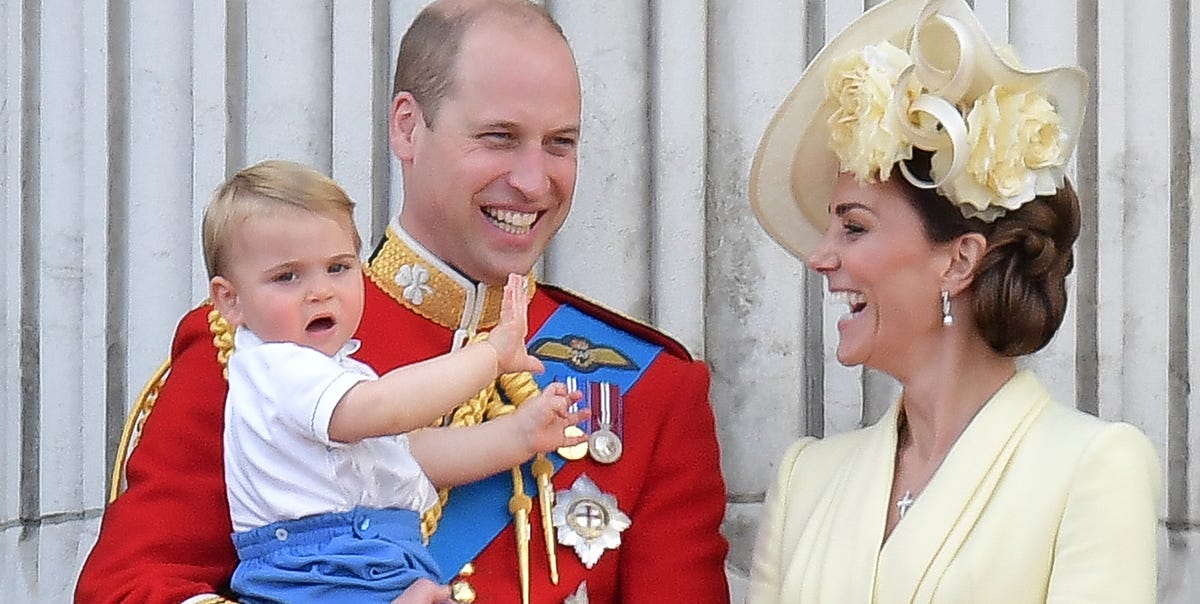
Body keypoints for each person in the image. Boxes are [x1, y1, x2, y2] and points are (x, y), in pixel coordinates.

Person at [75, 1, 730, 603]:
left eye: (560, 142)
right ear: (408, 128)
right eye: (499, 137)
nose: (534, 181)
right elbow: (128, 588)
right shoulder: (255, 343)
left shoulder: (648, 390)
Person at [744, 0, 1160, 602]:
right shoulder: (805, 479)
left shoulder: (1092, 469)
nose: (820, 257)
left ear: (959, 261)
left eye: (853, 228)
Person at [201, 159, 587, 603]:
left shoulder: (336, 374)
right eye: (287, 276)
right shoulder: (278, 367)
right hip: (321, 571)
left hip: (368, 563)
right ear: (230, 301)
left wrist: (518, 435)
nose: (320, 291)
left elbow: (414, 456)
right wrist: (490, 356)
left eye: (339, 268)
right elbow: (383, 410)